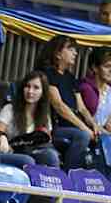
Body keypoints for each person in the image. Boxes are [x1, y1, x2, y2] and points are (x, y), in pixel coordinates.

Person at [34, 35, 96, 170]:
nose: (75, 53)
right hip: (55, 127)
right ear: (57, 54)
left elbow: (82, 108)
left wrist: (93, 125)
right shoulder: (47, 74)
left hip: (73, 126)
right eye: (70, 49)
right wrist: (84, 128)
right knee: (83, 135)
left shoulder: (70, 77)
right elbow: (59, 106)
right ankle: (69, 173)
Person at [0, 71, 61, 167]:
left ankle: (54, 176)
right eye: (27, 86)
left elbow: (47, 141)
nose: (30, 91)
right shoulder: (10, 109)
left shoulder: (45, 115)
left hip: (32, 152)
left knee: (51, 156)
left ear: (43, 92)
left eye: (36, 88)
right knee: (27, 161)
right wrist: (2, 138)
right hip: (8, 153)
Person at [78, 48, 111, 136]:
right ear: (95, 68)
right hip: (88, 133)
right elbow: (87, 120)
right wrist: (108, 135)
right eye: (107, 66)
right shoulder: (86, 88)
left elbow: (110, 123)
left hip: (103, 135)